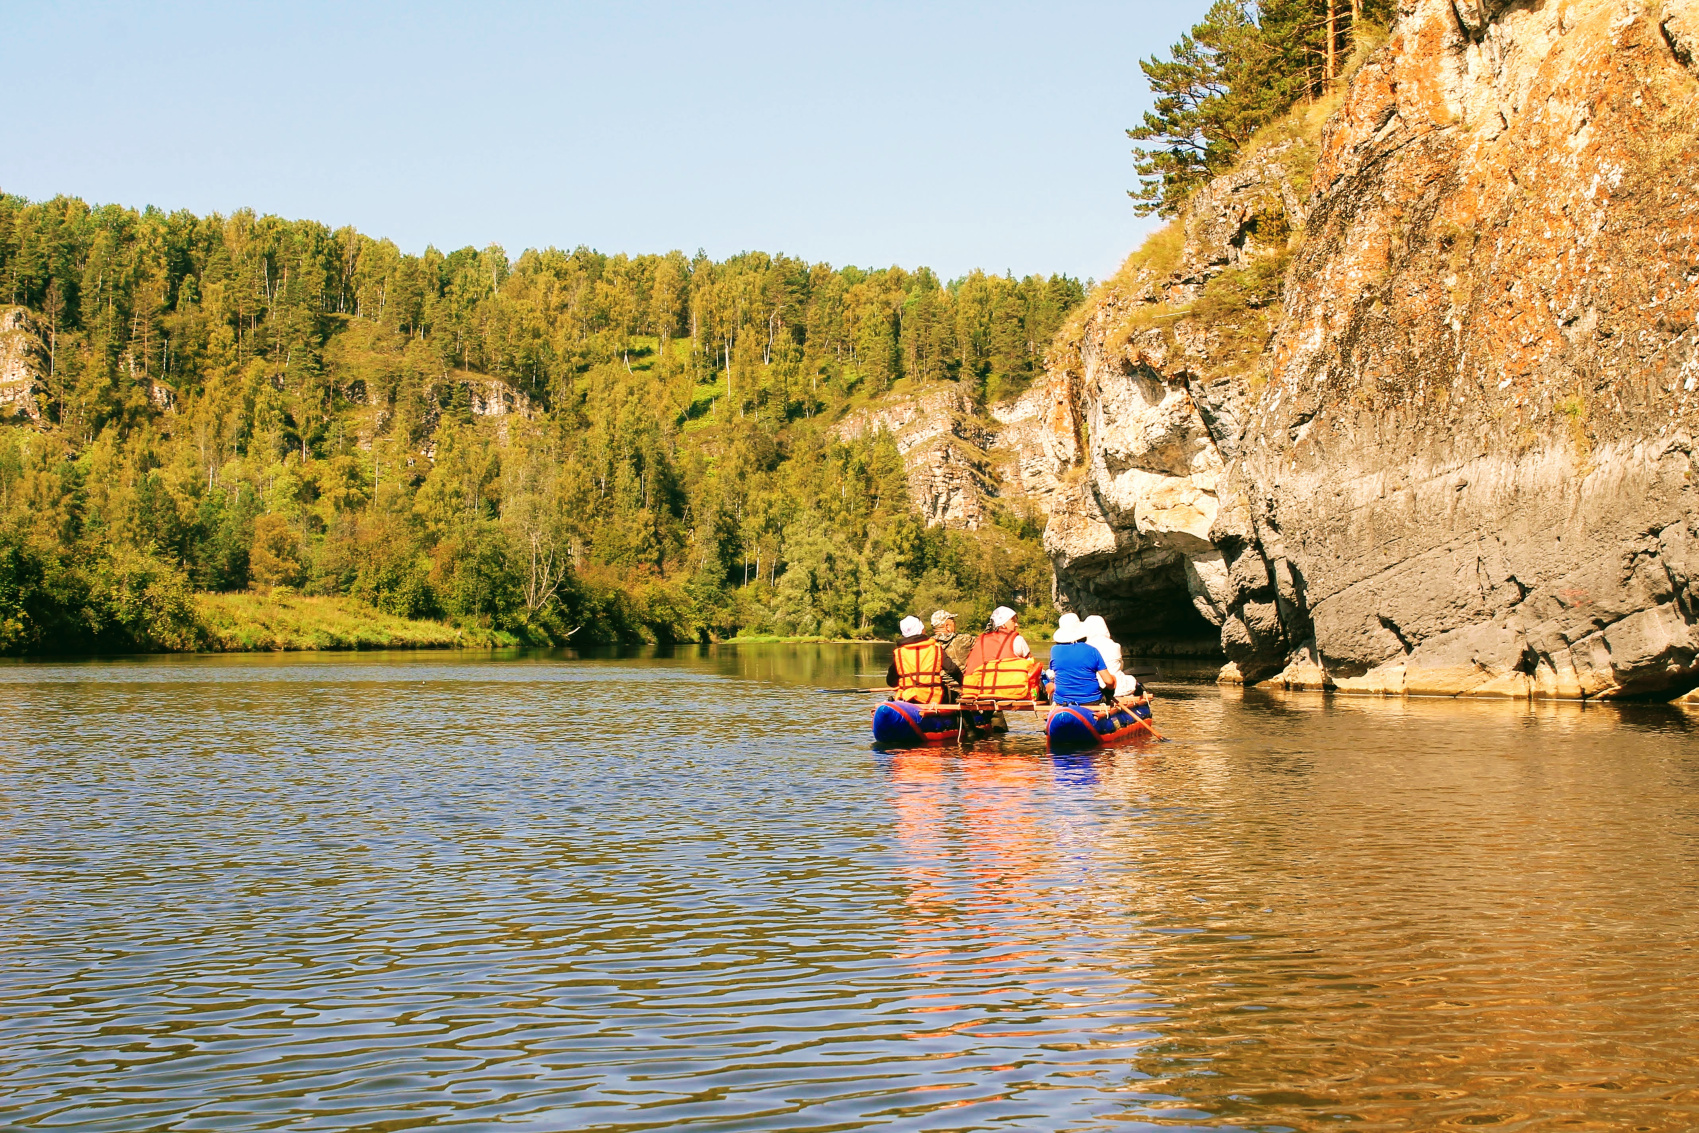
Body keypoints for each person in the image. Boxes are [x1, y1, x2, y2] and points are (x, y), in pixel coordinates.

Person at [887, 614, 962, 704]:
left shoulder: (899, 652)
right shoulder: (935, 648)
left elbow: (891, 681)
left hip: (907, 697)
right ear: (921, 630)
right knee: (957, 697)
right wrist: (964, 684)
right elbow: (952, 670)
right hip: (933, 698)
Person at [1043, 612, 1112, 706]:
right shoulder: (1092, 650)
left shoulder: (1054, 650)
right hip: (1092, 702)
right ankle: (1107, 705)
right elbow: (1109, 681)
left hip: (1061, 701)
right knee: (1113, 680)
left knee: (1051, 686)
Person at [1081, 614, 1148, 708]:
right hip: (1114, 686)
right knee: (1132, 680)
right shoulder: (1115, 646)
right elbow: (1120, 666)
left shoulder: (1084, 648)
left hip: (1092, 689)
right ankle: (1142, 701)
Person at [961, 605, 1032, 671]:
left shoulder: (980, 640)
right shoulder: (1017, 640)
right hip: (1007, 683)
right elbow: (1031, 664)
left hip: (980, 683)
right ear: (1003, 623)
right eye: (1013, 621)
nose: (1016, 625)